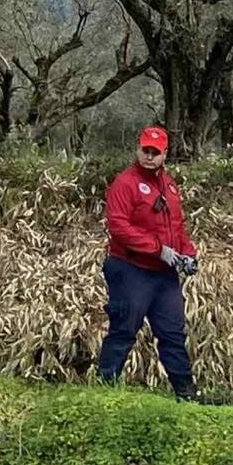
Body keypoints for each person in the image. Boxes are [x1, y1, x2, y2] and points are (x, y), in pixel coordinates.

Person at [97, 125, 201, 400]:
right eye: (146, 150)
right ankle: (103, 393)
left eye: (155, 152)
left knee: (172, 334)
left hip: (163, 275)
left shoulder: (169, 186)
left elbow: (178, 227)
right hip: (131, 269)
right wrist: (158, 250)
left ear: (165, 154)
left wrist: (188, 254)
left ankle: (187, 394)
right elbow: (119, 227)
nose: (149, 156)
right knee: (123, 331)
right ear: (138, 149)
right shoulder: (125, 183)